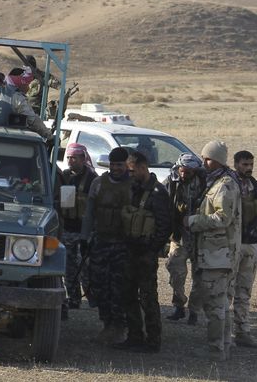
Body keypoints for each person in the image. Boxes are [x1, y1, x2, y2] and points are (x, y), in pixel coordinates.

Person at [186, 140, 242, 361]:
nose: (203, 161)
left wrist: (192, 221)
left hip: (219, 254)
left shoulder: (225, 185)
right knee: (220, 302)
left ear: (217, 160)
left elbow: (222, 218)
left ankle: (215, 349)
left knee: (215, 303)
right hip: (214, 253)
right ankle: (223, 345)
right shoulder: (217, 182)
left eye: (207, 158)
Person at [114, 151, 171, 353]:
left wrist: (151, 248)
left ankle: (153, 340)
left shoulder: (157, 193)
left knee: (148, 298)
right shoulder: (134, 189)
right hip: (130, 250)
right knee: (127, 294)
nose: (129, 175)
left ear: (142, 168)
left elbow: (165, 226)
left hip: (145, 254)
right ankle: (135, 336)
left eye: (131, 171)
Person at [80, 146, 131, 344]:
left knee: (119, 288)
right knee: (99, 286)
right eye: (113, 165)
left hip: (123, 244)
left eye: (119, 165)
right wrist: (84, 239)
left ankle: (120, 326)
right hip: (101, 242)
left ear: (126, 164)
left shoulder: (133, 184)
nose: (115, 168)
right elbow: (89, 213)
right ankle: (107, 324)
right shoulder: (98, 183)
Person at [164, 153, 206, 325]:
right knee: (174, 270)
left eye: (188, 171)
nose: (184, 174)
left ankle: (194, 311)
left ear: (195, 171)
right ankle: (179, 305)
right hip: (179, 235)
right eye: (182, 170)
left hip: (200, 236)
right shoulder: (171, 182)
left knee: (201, 277)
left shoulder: (206, 183)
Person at [59, 143, 98, 317]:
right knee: (68, 267)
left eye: (74, 158)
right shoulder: (64, 176)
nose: (70, 161)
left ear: (83, 159)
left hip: (85, 231)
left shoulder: (93, 179)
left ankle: (92, 297)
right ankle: (74, 298)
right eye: (68, 157)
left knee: (86, 267)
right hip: (67, 228)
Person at [232, 150, 257, 348]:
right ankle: (221, 335)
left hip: (249, 244)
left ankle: (242, 332)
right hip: (231, 245)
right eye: (244, 164)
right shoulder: (227, 185)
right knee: (225, 292)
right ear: (236, 164)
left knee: (244, 291)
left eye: (250, 164)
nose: (248, 168)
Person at [0, 67, 51, 140]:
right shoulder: (15, 96)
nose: (28, 87)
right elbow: (33, 120)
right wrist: (48, 135)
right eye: (26, 83)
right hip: (4, 139)